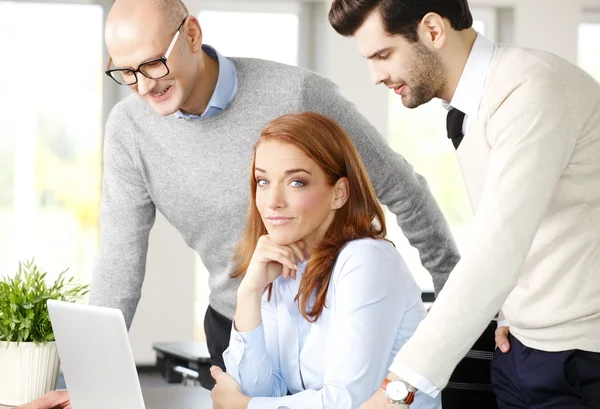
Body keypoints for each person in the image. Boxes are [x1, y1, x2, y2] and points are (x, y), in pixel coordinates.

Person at [16, 0, 461, 407]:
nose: (142, 86)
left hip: (330, 305)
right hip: (241, 318)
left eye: (151, 64)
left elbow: (403, 189)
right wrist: (85, 382)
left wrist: (458, 315)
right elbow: (119, 258)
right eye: (125, 72)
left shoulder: (296, 95)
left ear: (191, 34)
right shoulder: (130, 128)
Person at [328, 0, 600, 408]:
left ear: (433, 30)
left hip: (576, 358)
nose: (376, 76)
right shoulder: (474, 101)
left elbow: (496, 252)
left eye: (384, 55)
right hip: (520, 347)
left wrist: (398, 389)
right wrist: (510, 314)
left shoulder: (531, 90)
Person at [208, 112, 441, 409]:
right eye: (263, 181)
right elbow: (260, 388)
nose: (272, 201)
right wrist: (249, 293)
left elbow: (346, 402)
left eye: (296, 183)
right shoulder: (281, 264)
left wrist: (244, 405)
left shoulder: (366, 260)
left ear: (339, 193)